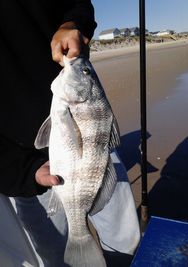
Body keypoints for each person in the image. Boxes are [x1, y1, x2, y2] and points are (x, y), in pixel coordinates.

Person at [0, 1, 140, 266]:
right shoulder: (71, 95)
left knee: (125, 245)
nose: (81, 66)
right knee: (56, 259)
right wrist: (19, 170)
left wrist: (74, 21)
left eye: (84, 70)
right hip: (21, 168)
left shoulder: (68, 96)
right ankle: (80, 236)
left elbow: (77, 3)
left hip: (98, 160)